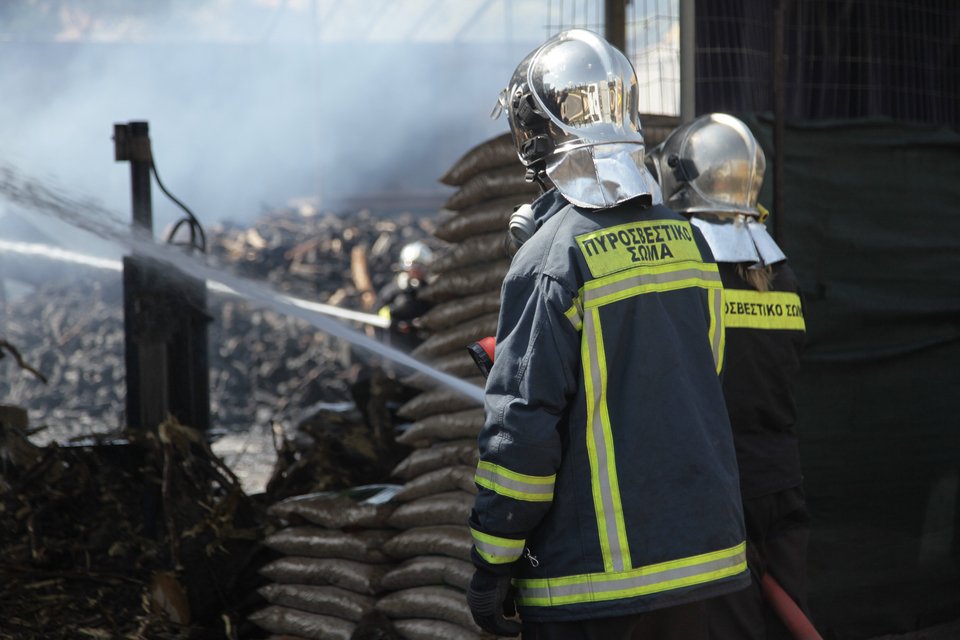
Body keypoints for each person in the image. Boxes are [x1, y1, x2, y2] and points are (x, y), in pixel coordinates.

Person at [466, 29, 749, 640]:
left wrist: (492, 564)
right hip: (701, 561)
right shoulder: (689, 240)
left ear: (536, 134)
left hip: (596, 584)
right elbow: (703, 373)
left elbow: (522, 433)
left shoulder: (549, 261)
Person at [648, 113, 812, 639]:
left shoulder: (693, 273)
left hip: (722, 486)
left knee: (732, 625)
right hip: (781, 480)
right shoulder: (780, 274)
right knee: (790, 617)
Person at [376, 241, 434, 352]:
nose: (417, 271)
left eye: (421, 267)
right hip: (396, 349)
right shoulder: (392, 292)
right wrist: (395, 318)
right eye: (414, 266)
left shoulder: (430, 291)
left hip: (424, 347)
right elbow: (377, 314)